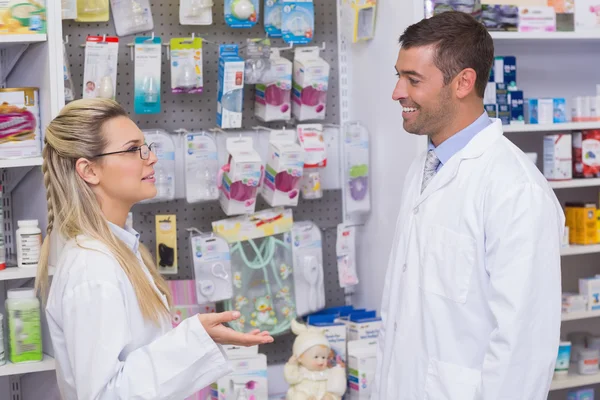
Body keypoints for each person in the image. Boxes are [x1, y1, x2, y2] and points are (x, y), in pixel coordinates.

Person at [372, 11, 564, 400]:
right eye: (398, 76)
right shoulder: (425, 168)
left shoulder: (515, 190)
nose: (397, 92)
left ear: (463, 82)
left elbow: (522, 351)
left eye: (413, 80)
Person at [35, 98, 274, 400]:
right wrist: (191, 339)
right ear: (89, 170)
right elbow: (104, 395)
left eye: (145, 147)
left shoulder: (120, 251)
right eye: (134, 149)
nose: (151, 158)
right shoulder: (92, 268)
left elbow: (138, 358)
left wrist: (200, 337)